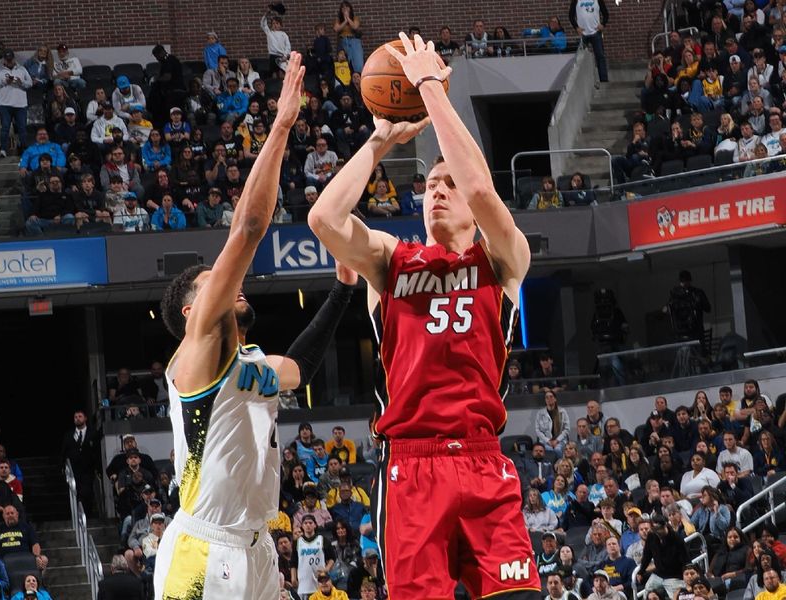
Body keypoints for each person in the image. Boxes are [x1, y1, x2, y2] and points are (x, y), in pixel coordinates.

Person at [308, 32, 539, 600]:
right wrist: (380, 141)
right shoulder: (391, 260)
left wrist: (431, 87)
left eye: (446, 183)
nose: (435, 191)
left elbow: (484, 190)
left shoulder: (502, 258)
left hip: (484, 458)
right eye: (429, 184)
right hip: (412, 466)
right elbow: (324, 220)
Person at [153, 54, 356, 600]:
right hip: (202, 549)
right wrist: (283, 125)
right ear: (193, 313)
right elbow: (247, 227)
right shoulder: (194, 360)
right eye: (211, 284)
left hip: (258, 545)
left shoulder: (249, 365)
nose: (227, 284)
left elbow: (302, 367)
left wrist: (343, 289)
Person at [0, 50, 30, 159]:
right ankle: (3, 149)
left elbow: (29, 83)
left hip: (20, 104)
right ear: (4, 60)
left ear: (14, 59)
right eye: (7, 60)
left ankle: (23, 148)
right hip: (4, 104)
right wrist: (4, 82)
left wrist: (21, 83)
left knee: (22, 128)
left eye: (10, 59)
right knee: (5, 127)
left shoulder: (22, 69)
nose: (9, 61)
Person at [61, 410, 101, 517]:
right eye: (75, 417)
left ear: (85, 418)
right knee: (76, 493)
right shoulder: (69, 435)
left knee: (87, 493)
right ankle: (77, 515)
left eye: (80, 416)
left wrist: (97, 467)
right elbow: (64, 452)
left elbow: (97, 452)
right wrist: (63, 467)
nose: (77, 418)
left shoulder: (93, 433)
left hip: (88, 470)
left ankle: (87, 515)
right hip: (74, 470)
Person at [637, 516, 688, 598]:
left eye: (660, 528)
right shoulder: (651, 536)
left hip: (674, 575)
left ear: (665, 526)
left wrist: (686, 576)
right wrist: (641, 571)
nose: (658, 532)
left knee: (677, 596)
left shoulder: (677, 538)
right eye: (655, 529)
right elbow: (647, 555)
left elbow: (685, 560)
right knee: (647, 592)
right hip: (658, 574)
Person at [569, 0, 610, 82]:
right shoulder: (576, 1)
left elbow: (606, 14)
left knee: (600, 57)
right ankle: (583, 81)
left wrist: (603, 24)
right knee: (580, 58)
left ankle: (604, 80)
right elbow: (571, 16)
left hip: (596, 33)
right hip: (583, 34)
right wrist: (576, 28)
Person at [536, 390, 570, 458]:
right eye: (547, 397)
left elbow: (567, 429)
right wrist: (548, 441)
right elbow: (538, 431)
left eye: (551, 397)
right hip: (546, 441)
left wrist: (557, 441)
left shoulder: (562, 412)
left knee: (558, 449)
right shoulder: (540, 413)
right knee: (549, 450)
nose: (549, 399)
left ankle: (560, 466)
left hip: (560, 440)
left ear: (555, 399)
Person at [334, 2, 364, 74]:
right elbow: (336, 29)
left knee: (358, 64)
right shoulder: (338, 20)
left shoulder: (355, 18)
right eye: (343, 7)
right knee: (345, 64)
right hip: (343, 41)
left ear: (350, 9)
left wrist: (348, 18)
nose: (345, 9)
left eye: (347, 7)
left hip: (354, 42)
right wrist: (345, 21)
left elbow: (355, 26)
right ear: (341, 10)